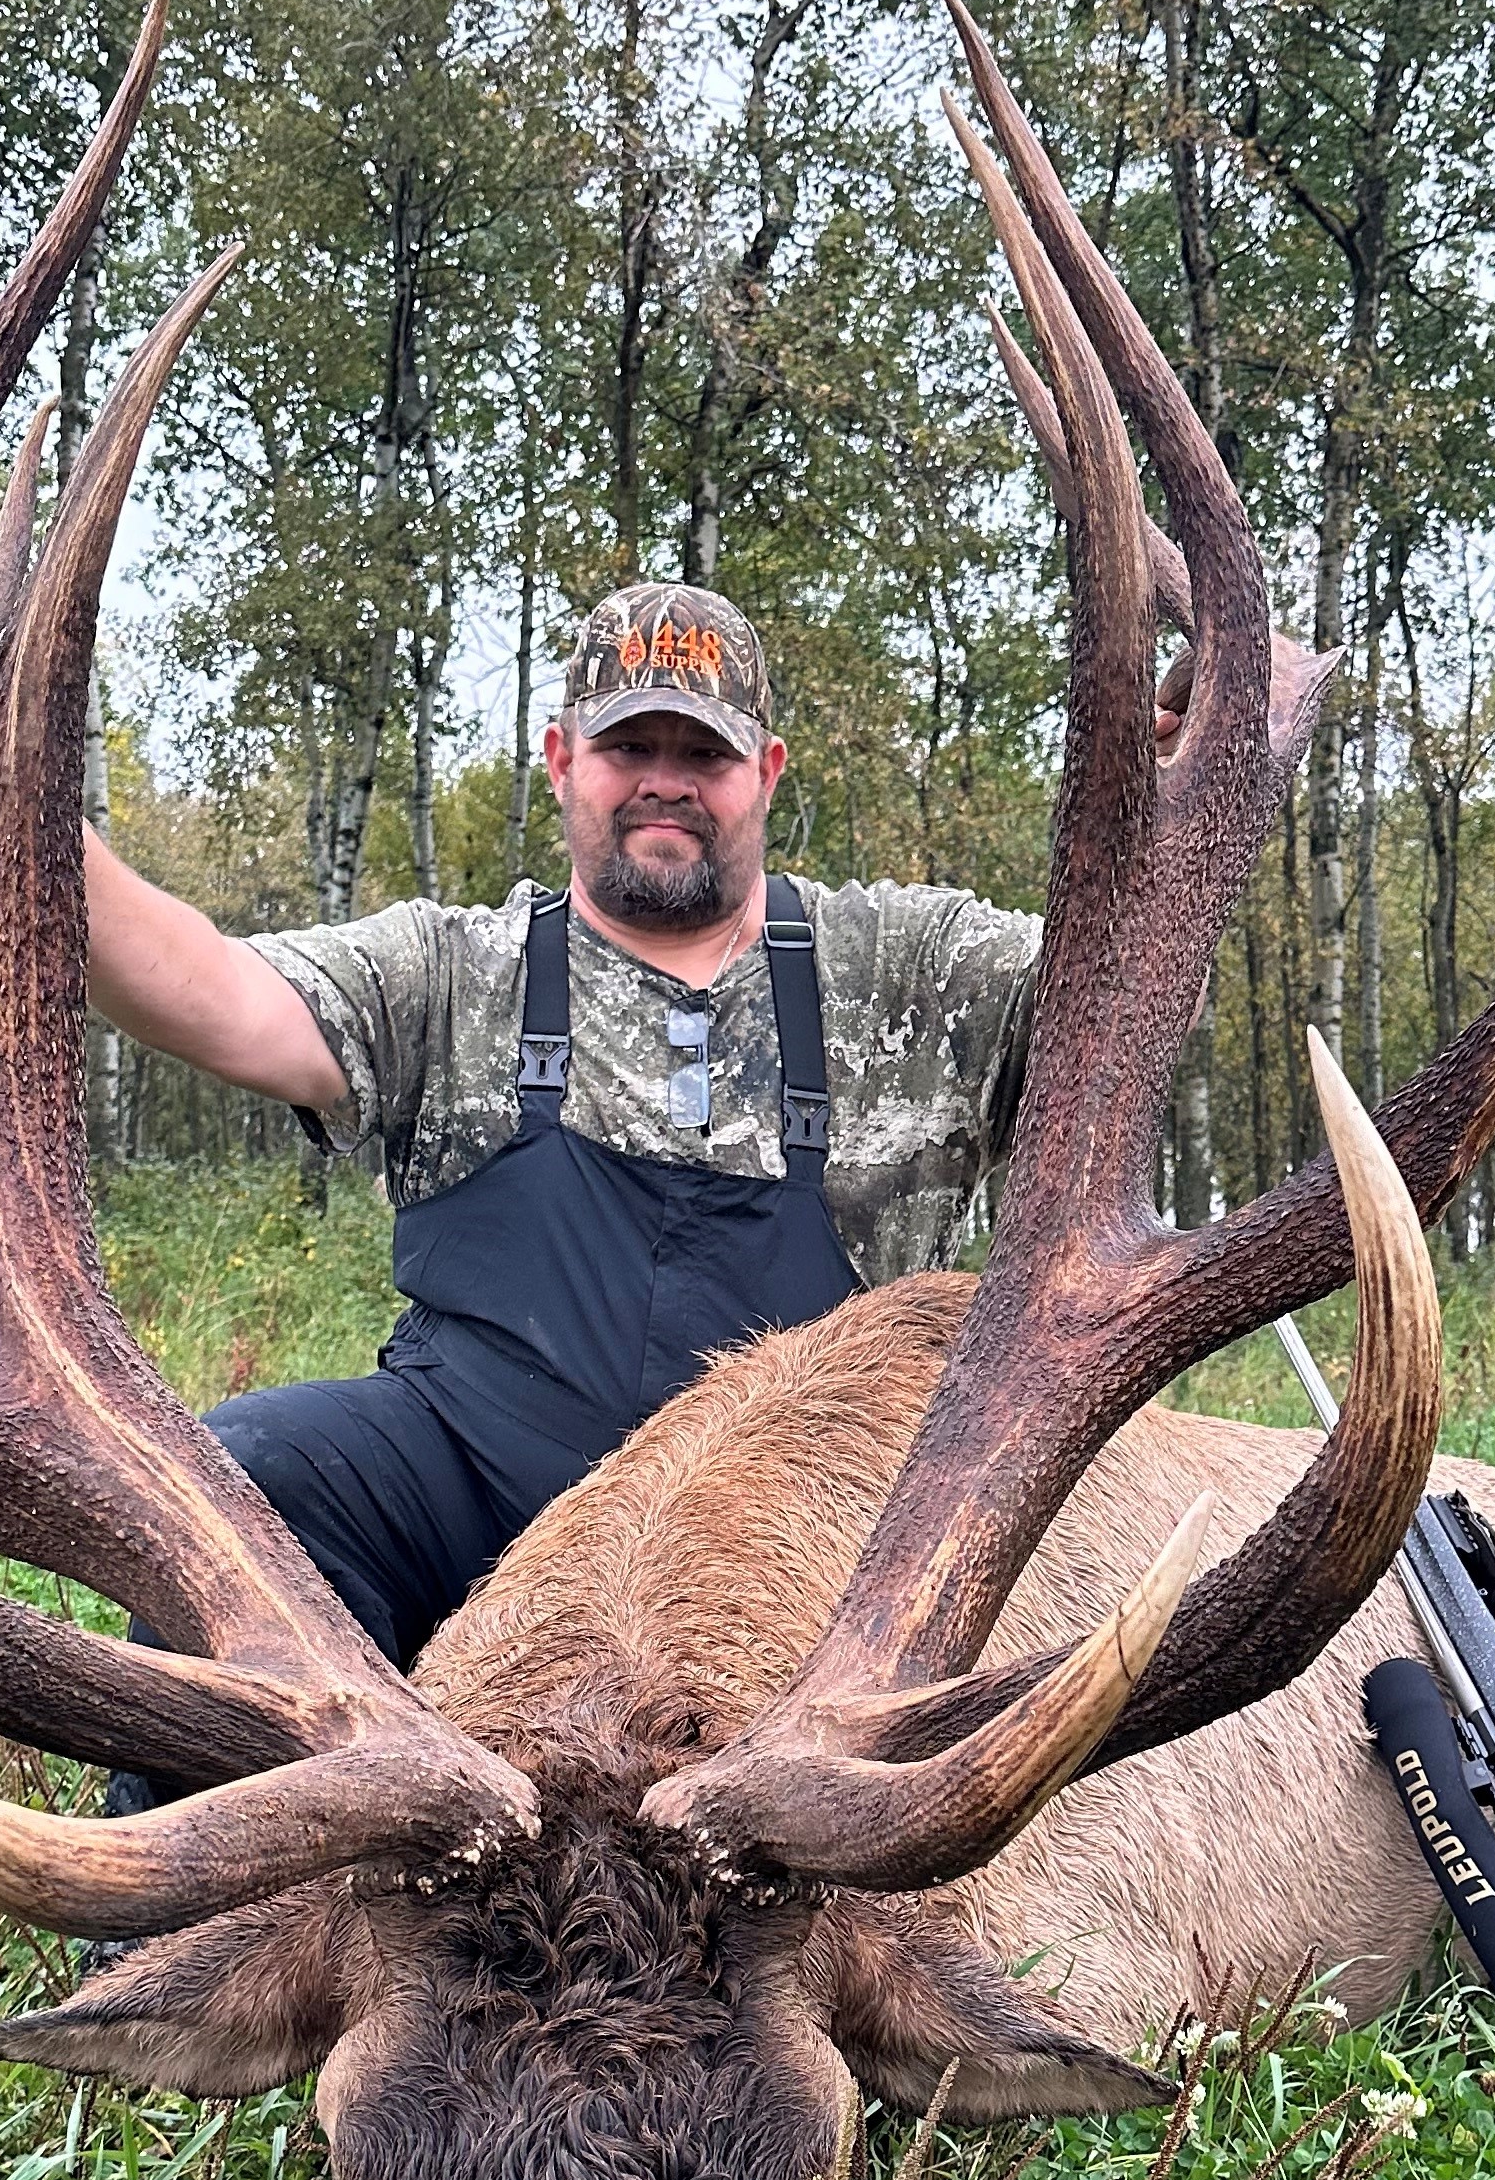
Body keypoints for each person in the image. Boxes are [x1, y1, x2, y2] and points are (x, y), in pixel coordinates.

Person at [83, 577, 1044, 1683]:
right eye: (630, 748)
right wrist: (28, 801)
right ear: (560, 760)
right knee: (242, 1487)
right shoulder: (459, 972)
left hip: (800, 1561)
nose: (665, 785)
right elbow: (213, 993)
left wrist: (1161, 791)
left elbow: (1119, 994)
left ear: (767, 772)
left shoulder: (909, 972)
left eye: (708, 755)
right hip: (479, 1499)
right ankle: (253, 1843)